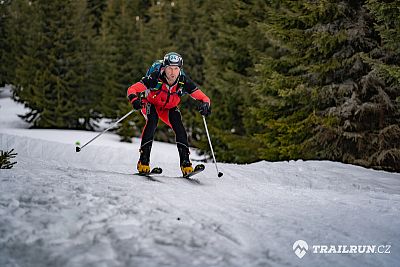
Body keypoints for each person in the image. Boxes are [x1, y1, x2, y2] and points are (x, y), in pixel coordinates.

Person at [127, 52, 211, 175]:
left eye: (176, 68)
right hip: (151, 104)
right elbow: (132, 89)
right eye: (170, 68)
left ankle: (186, 165)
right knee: (152, 122)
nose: (173, 72)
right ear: (164, 68)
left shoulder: (183, 81)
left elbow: (203, 97)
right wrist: (134, 100)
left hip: (169, 108)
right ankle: (143, 162)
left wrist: (205, 104)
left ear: (180, 69)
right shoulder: (155, 77)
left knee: (180, 127)